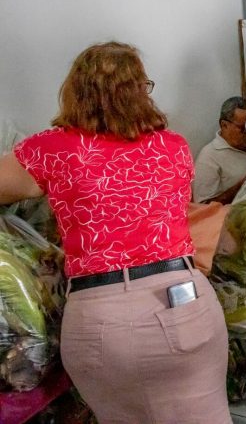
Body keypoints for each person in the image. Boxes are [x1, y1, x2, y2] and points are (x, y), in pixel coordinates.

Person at [0, 42, 230, 422]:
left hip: (99, 318)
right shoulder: (173, 147)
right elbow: (173, 207)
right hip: (183, 302)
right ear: (140, 90)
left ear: (75, 92)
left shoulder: (52, 149)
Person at [192, 96, 246, 204]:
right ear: (224, 125)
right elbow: (203, 207)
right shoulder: (209, 157)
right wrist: (241, 187)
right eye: (243, 129)